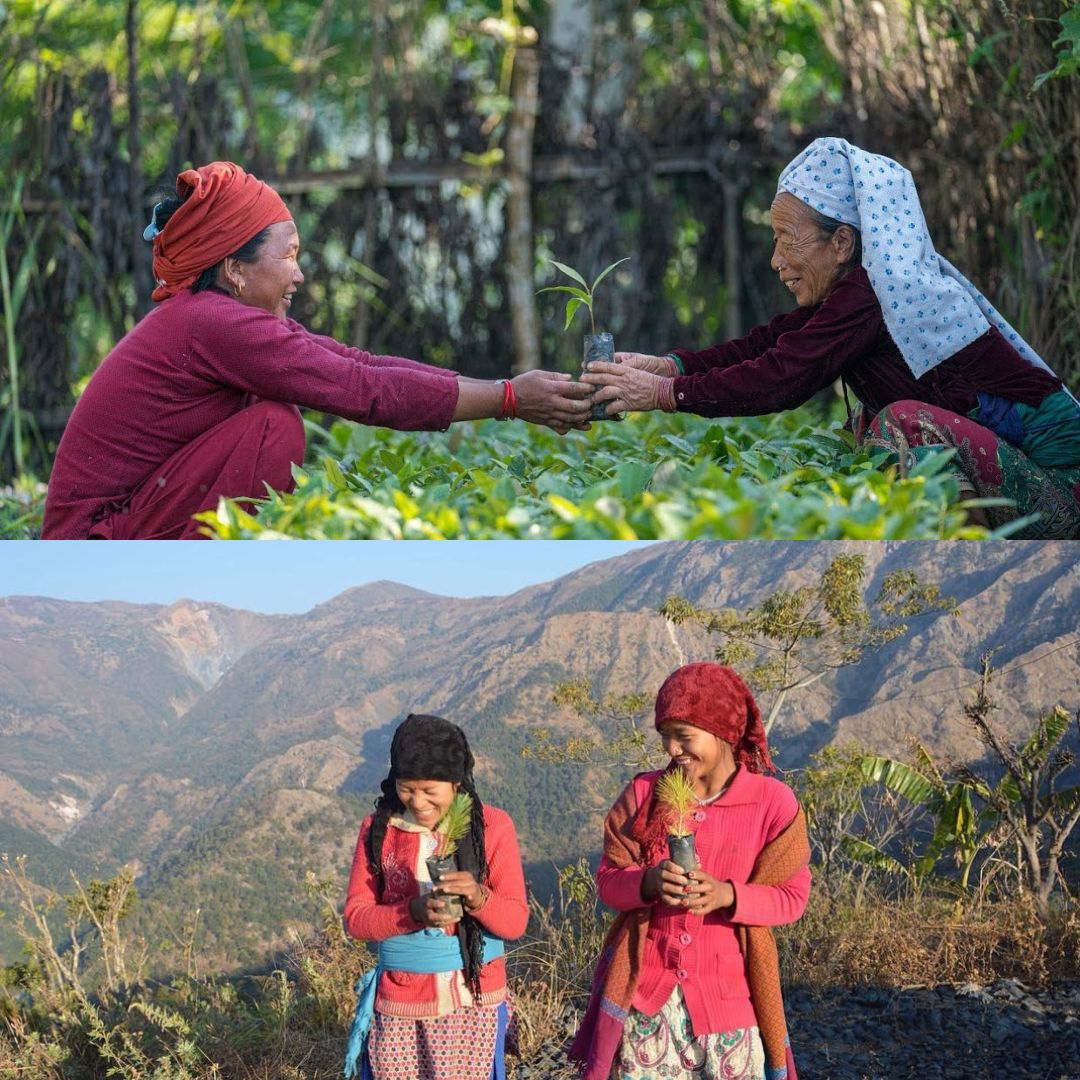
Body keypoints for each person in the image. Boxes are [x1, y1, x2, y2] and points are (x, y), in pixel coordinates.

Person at [42, 161, 592, 539]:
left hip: (111, 522)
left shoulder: (211, 317)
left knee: (270, 417)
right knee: (273, 427)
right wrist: (509, 400)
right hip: (94, 537)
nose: (299, 274)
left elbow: (358, 364)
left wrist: (509, 390)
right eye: (289, 256)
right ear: (234, 269)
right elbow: (363, 390)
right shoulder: (212, 324)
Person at [582, 137, 1080, 538]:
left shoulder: (876, 293)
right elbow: (772, 343)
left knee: (903, 426)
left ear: (842, 242)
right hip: (1028, 479)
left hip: (1063, 491)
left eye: (787, 239)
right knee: (871, 436)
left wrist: (665, 395)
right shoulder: (863, 290)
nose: (776, 260)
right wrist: (671, 367)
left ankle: (967, 572)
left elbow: (786, 374)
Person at [570, 663, 810, 1080]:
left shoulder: (772, 803)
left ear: (723, 733)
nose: (672, 750)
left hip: (733, 1005)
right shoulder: (645, 794)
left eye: (684, 737)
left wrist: (729, 895)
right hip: (647, 1003)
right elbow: (609, 881)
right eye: (666, 737)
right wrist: (646, 881)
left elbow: (792, 897)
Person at [343, 713, 528, 1080]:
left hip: (474, 1000)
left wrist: (478, 897)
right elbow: (357, 919)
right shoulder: (379, 831)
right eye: (407, 788)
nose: (418, 802)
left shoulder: (492, 827)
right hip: (401, 1000)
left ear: (457, 783)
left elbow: (515, 921)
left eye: (430, 791)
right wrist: (412, 912)